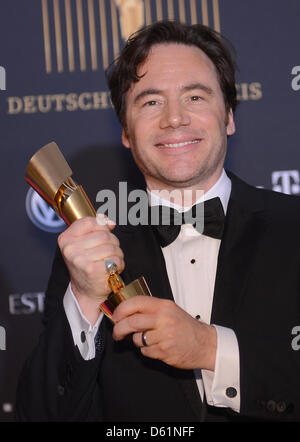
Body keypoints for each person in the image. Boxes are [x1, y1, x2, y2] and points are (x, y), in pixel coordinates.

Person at [16, 20, 300, 422]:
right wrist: (83, 300)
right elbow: (40, 413)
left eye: (196, 97)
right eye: (151, 102)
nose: (174, 119)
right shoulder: (89, 251)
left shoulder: (294, 229)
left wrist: (210, 349)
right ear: (126, 132)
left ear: (229, 117)